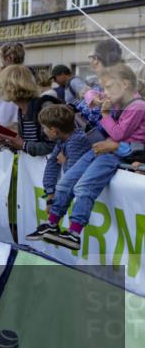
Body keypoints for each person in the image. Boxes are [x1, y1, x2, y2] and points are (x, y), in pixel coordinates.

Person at [33, 64, 145, 250]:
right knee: (66, 182)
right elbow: (90, 93)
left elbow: (117, 134)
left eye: (108, 87)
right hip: (103, 149)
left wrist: (105, 114)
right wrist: (94, 98)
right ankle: (52, 223)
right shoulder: (117, 98)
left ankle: (74, 232)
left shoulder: (138, 106)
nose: (105, 92)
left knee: (83, 187)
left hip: (117, 154)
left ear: (125, 84)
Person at [24, 104, 92, 242]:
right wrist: (50, 193)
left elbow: (72, 176)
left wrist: (65, 162)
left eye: (44, 128)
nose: (43, 131)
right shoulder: (63, 139)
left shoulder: (76, 141)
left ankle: (60, 227)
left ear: (54, 131)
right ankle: (52, 225)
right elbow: (52, 163)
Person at [0, 64, 61, 157]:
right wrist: (9, 141)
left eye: (1, 85)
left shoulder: (44, 107)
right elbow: (27, 146)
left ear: (10, 87)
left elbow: (56, 146)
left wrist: (23, 145)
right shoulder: (22, 110)